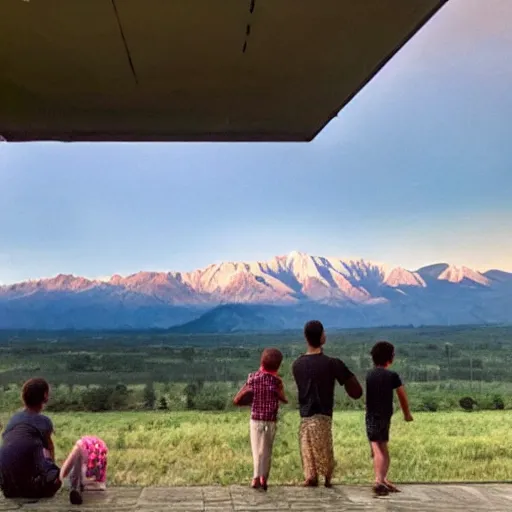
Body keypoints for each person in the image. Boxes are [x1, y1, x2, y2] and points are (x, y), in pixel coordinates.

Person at [292, 321, 362, 488]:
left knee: (307, 445)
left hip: (305, 416)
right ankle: (325, 476)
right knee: (324, 448)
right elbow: (356, 392)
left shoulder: (297, 364)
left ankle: (311, 475)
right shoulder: (332, 363)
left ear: (305, 337)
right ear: (323, 337)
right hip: (324, 414)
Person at [233, 348, 287, 491]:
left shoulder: (252, 377)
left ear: (261, 362)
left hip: (255, 419)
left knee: (256, 449)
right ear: (278, 365)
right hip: (270, 420)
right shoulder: (276, 381)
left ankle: (255, 477)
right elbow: (284, 398)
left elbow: (241, 395)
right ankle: (264, 477)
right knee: (266, 450)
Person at [0, 378, 61, 499]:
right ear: (45, 396)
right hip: (32, 489)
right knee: (47, 456)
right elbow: (49, 448)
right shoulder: (44, 421)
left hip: (7, 489)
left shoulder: (14, 419)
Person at [366, 341, 413, 496]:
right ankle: (381, 479)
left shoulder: (370, 375)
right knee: (383, 449)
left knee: (376, 448)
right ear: (390, 358)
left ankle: (379, 480)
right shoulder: (392, 376)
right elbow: (402, 396)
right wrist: (407, 414)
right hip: (386, 416)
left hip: (372, 416)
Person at [60, 436, 108, 505]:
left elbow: (66, 468)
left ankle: (78, 486)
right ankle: (87, 485)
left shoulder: (79, 447)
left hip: (88, 447)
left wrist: (60, 478)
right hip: (99, 446)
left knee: (77, 476)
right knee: (92, 479)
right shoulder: (89, 448)